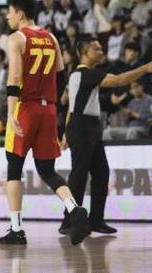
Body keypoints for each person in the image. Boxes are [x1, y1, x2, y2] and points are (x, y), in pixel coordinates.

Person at [1, 0, 89, 247]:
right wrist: (51, 103)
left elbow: (14, 78)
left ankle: (17, 229)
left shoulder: (16, 38)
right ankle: (74, 209)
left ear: (19, 13)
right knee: (48, 170)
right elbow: (61, 76)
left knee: (14, 169)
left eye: (9, 11)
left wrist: (11, 112)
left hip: (25, 108)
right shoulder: (51, 38)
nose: (7, 16)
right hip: (48, 109)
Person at [60, 39, 152, 235]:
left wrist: (66, 131)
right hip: (82, 127)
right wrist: (145, 68)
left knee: (101, 173)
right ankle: (68, 222)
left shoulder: (78, 75)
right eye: (96, 48)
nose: (101, 51)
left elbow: (71, 106)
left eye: (101, 48)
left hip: (88, 126)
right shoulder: (85, 74)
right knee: (79, 175)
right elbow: (119, 80)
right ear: (84, 52)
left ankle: (96, 220)